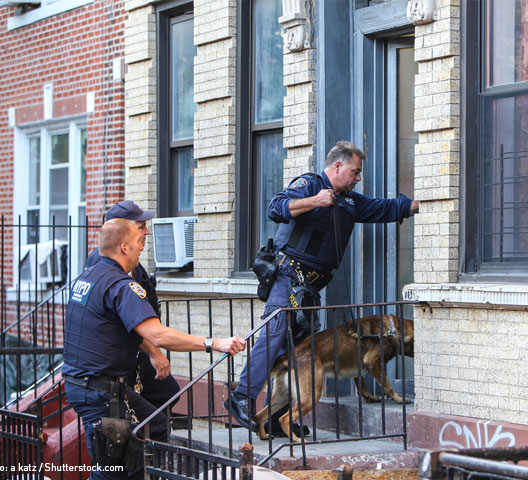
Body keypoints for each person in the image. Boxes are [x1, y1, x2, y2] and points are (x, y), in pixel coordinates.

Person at [224, 140, 419, 432]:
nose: (358, 177)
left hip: (310, 289)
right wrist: (314, 201)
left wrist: (423, 203)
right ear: (337, 166)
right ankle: (241, 396)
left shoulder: (351, 201)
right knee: (275, 336)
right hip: (289, 280)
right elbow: (276, 207)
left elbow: (384, 208)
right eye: (355, 171)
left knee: (295, 352)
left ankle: (277, 419)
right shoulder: (310, 184)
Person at [63, 219, 245, 479]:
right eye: (139, 242)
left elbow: (118, 330)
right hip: (100, 392)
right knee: (112, 469)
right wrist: (214, 343)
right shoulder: (120, 286)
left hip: (86, 385)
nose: (142, 248)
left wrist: (153, 355)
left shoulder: (88, 278)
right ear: (124, 247)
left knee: (153, 426)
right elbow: (157, 334)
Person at [85, 201, 180, 422]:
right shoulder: (110, 265)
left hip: (132, 352)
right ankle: (144, 444)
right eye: (140, 226)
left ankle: (144, 438)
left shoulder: (116, 261)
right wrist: (155, 353)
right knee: (162, 396)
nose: (146, 231)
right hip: (125, 354)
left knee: (165, 394)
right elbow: (123, 320)